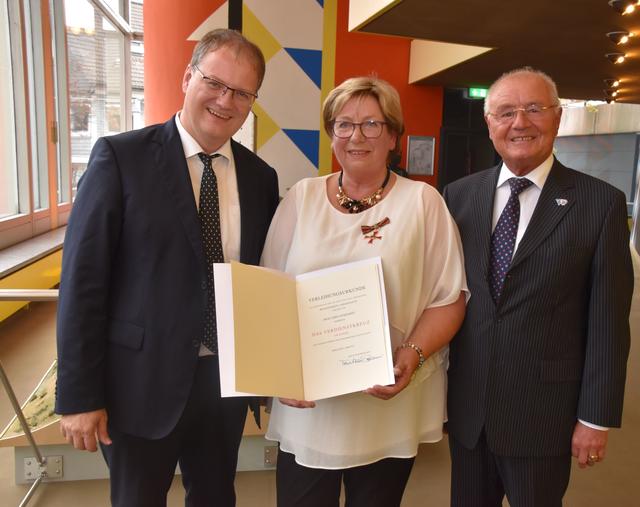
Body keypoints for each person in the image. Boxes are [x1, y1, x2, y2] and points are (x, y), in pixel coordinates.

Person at [55, 29, 279, 506]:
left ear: (252, 101)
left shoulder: (262, 178)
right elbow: (83, 283)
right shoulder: (120, 157)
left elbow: (264, 280)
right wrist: (78, 394)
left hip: (225, 383)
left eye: (241, 92)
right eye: (214, 82)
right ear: (187, 77)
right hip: (140, 382)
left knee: (217, 498)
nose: (225, 100)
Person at [261, 76, 467, 507]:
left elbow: (449, 298)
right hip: (310, 408)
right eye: (344, 124)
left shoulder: (423, 204)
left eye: (372, 124)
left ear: (393, 135)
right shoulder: (301, 198)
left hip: (386, 405)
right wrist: (278, 370)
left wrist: (412, 353)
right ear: (331, 133)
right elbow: (269, 292)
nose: (357, 136)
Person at [443, 67, 633, 506]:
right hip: (469, 413)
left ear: (558, 117)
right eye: (505, 112)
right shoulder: (457, 196)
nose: (520, 123)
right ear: (489, 124)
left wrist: (595, 418)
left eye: (534, 109)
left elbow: (608, 322)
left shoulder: (599, 204)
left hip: (545, 415)